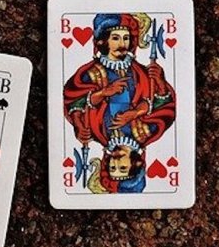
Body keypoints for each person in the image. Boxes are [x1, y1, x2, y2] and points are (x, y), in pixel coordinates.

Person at [63, 13, 176, 193]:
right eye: (116, 38)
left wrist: (79, 125)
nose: (122, 44)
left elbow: (75, 106)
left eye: (126, 38)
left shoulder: (98, 134)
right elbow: (165, 108)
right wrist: (136, 109)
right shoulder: (145, 133)